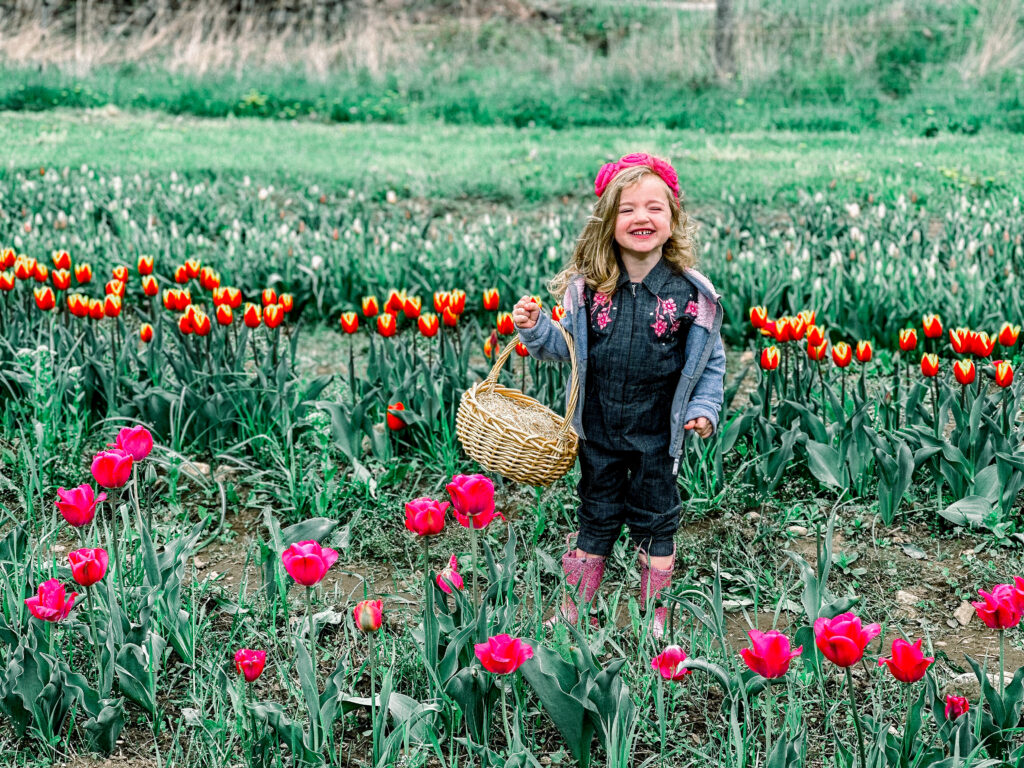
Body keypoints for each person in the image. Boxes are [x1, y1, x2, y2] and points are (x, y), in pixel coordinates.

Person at [513, 152, 725, 637]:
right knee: (597, 511)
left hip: (657, 432)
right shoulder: (589, 291)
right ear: (608, 222)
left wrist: (703, 409)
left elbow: (709, 361)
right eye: (627, 209)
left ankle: (657, 614)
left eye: (655, 207)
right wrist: (535, 327)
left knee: (658, 516)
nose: (641, 217)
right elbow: (562, 346)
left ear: (673, 222)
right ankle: (576, 604)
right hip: (600, 428)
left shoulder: (691, 296)